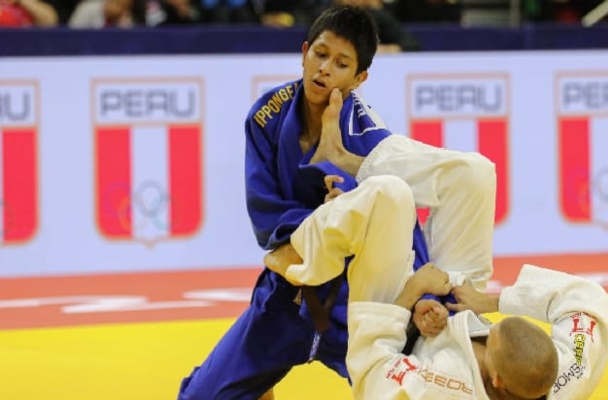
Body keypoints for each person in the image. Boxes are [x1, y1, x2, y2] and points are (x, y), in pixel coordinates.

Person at [178, 5, 496, 400]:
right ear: (304, 52)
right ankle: (258, 382)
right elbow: (266, 214)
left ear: (359, 78)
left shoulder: (370, 139)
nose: (324, 69)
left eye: (341, 64)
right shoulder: (266, 117)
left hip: (356, 304)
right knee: (203, 396)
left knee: (414, 390)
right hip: (289, 296)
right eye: (320, 54)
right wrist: (322, 221)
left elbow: (404, 229)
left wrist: (427, 299)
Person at [266, 172, 608, 399]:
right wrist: (492, 302)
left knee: (389, 195)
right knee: (474, 177)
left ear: (497, 380)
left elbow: (372, 373)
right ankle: (350, 155)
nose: (486, 334)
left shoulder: (442, 388)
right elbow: (586, 297)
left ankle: (305, 250)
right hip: (453, 299)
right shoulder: (564, 376)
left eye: (489, 340)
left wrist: (411, 296)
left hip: (393, 328)